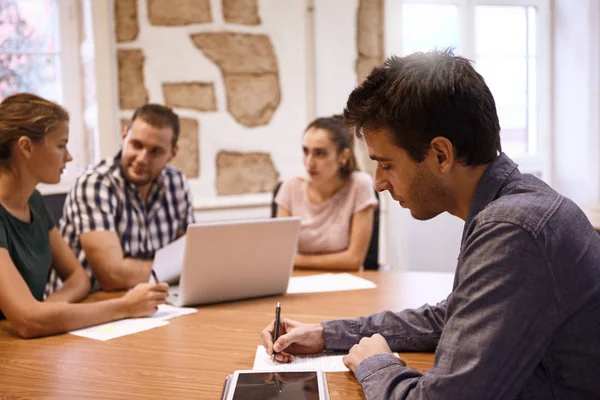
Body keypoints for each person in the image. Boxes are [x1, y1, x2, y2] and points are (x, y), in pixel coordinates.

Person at [261, 50, 600, 399]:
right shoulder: (519, 202)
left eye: (387, 164)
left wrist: (376, 363)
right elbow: (450, 317)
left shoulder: (512, 229)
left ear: (441, 155)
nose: (379, 182)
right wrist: (327, 334)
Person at [0, 93, 168, 338]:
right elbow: (28, 322)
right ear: (26, 147)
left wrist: (45, 310)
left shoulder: (33, 201)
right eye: (60, 145)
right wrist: (125, 307)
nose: (68, 156)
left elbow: (78, 278)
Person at [47, 104, 195, 293]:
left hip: (146, 302)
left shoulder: (176, 182)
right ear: (124, 136)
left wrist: (186, 265)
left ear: (172, 153)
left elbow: (190, 255)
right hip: (86, 306)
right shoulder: (95, 182)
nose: (142, 158)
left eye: (155, 151)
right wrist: (177, 267)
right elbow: (112, 276)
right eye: (137, 145)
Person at [275, 115, 378, 270]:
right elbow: (280, 254)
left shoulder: (360, 185)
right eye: (306, 151)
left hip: (349, 283)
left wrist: (296, 260)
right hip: (299, 283)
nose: (309, 162)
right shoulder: (290, 187)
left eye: (320, 153)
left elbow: (354, 260)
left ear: (343, 156)